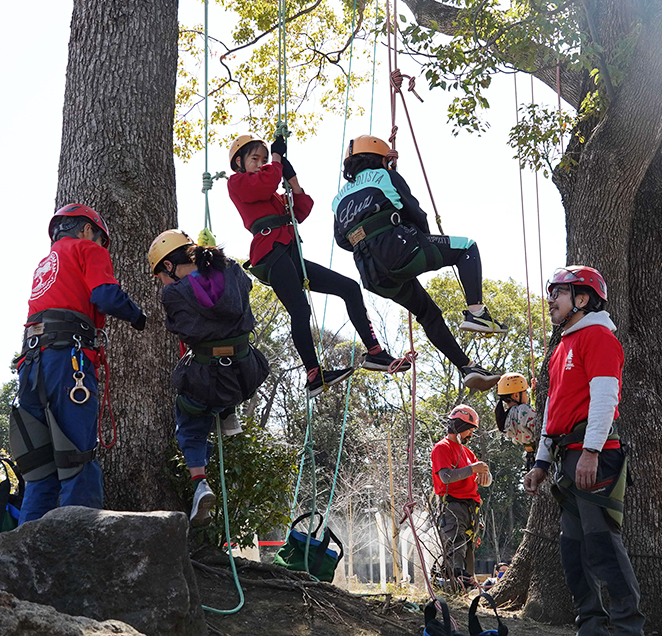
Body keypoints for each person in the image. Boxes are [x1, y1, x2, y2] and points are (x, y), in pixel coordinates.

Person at [227, 133, 404, 399]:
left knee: (349, 288)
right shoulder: (238, 182)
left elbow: (299, 211)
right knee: (299, 309)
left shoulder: (271, 191)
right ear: (239, 162)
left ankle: (375, 353)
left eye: (263, 159)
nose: (261, 163)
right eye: (255, 159)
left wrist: (292, 178)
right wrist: (275, 161)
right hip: (270, 253)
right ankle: (313, 374)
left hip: (288, 253)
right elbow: (263, 185)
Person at [523, 265, 644, 636]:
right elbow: (553, 409)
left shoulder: (599, 338)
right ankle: (591, 626)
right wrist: (542, 461)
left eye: (558, 293)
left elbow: (605, 398)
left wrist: (591, 450)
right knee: (573, 552)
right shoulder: (563, 346)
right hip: (568, 457)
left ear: (582, 298)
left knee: (602, 544)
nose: (550, 301)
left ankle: (627, 629)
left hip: (594, 455)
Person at [332, 135, 507, 391]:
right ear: (381, 159)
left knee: (428, 313)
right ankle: (477, 313)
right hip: (399, 248)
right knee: (467, 247)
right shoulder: (387, 177)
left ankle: (466, 367)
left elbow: (342, 240)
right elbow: (413, 210)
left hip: (371, 273)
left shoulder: (338, 198)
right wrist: (422, 241)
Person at [10, 204, 146, 523]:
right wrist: (138, 317)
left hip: (31, 362)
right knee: (77, 459)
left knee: (41, 470)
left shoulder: (45, 263)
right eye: (99, 237)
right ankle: (82, 551)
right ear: (86, 230)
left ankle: (26, 555)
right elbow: (105, 296)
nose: (99, 243)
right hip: (68, 360)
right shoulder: (87, 248)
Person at [148, 230, 270, 525]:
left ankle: (199, 482)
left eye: (160, 275)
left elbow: (181, 329)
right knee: (221, 391)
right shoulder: (233, 271)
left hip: (207, 376)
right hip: (246, 371)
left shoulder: (173, 293)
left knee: (189, 420)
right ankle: (228, 415)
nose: (162, 283)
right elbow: (243, 291)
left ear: (168, 266)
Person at [431, 405, 491, 586]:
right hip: (453, 505)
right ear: (460, 427)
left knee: (467, 547)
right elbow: (446, 476)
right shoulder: (443, 448)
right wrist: (473, 469)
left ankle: (464, 584)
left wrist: (485, 474)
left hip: (470, 506)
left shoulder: (468, 453)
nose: (470, 435)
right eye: (469, 431)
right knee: (455, 545)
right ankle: (453, 585)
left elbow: (482, 477)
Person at [494, 372, 540, 469]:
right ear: (515, 395)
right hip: (541, 452)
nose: (527, 396)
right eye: (525, 393)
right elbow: (539, 421)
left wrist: (533, 393)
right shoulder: (523, 410)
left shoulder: (508, 417)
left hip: (530, 457)